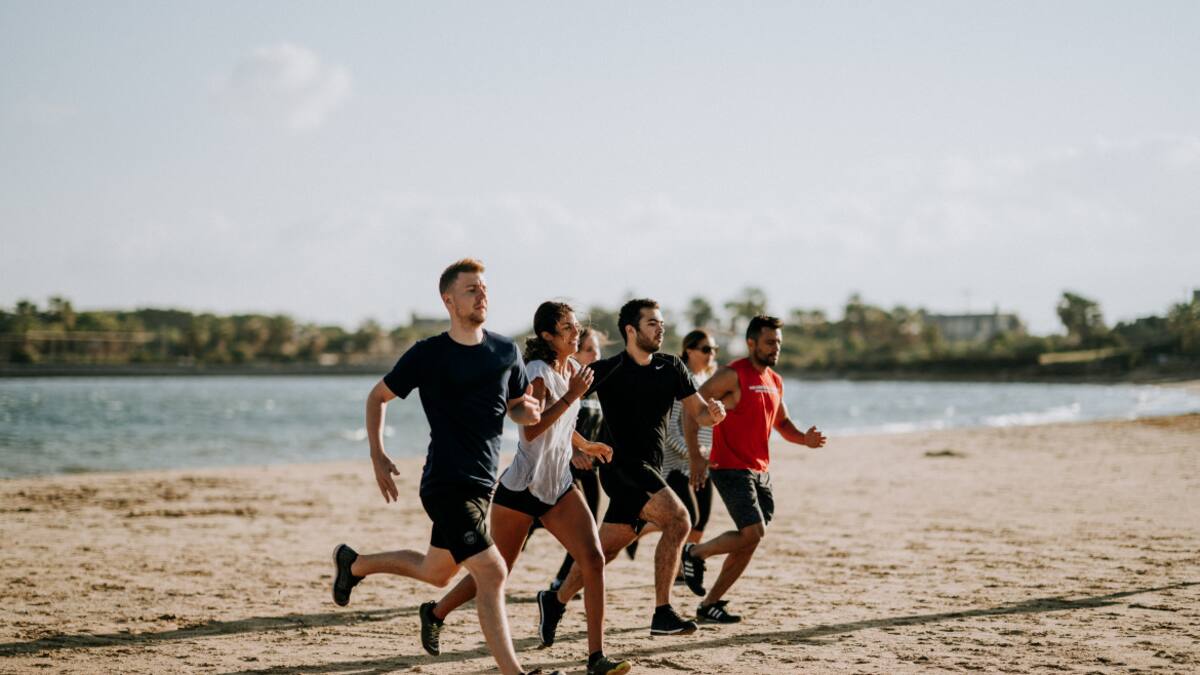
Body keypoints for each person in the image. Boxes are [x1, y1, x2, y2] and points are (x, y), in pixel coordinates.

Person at [330, 258, 559, 675]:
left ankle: (354, 563)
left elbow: (516, 408)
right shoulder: (428, 354)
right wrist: (377, 454)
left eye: (484, 288)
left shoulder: (505, 351)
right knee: (492, 572)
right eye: (471, 289)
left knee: (436, 573)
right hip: (445, 484)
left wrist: (527, 412)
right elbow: (377, 397)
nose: (481, 295)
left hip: (482, 485)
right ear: (449, 300)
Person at [421, 302, 632, 675]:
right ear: (548, 336)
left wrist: (585, 445)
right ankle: (436, 612)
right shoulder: (536, 372)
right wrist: (571, 396)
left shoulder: (572, 370)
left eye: (576, 325)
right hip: (521, 489)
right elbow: (531, 430)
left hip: (558, 486)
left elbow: (563, 424)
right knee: (497, 569)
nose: (576, 332)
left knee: (594, 559)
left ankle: (596, 658)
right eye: (567, 328)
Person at [537, 299, 726, 644]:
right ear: (631, 330)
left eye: (661, 323)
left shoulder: (671, 367)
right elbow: (560, 408)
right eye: (652, 323)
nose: (660, 329)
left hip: (650, 467)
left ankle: (555, 599)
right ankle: (662, 612)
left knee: (604, 552)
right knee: (679, 520)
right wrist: (579, 447)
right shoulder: (607, 369)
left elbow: (699, 413)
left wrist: (713, 415)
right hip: (620, 466)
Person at [679, 315, 827, 625]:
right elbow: (691, 410)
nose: (776, 348)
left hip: (760, 470)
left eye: (778, 343)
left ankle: (710, 604)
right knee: (753, 532)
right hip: (729, 467)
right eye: (769, 342)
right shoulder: (731, 375)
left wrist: (805, 439)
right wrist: (695, 456)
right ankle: (695, 553)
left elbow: (782, 423)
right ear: (751, 343)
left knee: (750, 539)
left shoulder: (775, 380)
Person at [626, 329, 720, 561]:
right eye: (706, 349)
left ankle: (684, 567)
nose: (711, 354)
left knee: (701, 521)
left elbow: (708, 428)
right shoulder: (682, 380)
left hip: (702, 462)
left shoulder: (707, 382)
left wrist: (708, 455)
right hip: (677, 465)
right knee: (688, 518)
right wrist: (692, 454)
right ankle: (638, 530)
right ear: (689, 350)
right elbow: (669, 430)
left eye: (714, 350)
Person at [548, 327, 608, 591]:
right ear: (575, 353)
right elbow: (553, 423)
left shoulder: (597, 387)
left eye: (598, 349)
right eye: (589, 350)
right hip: (563, 468)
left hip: (589, 471)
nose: (596, 355)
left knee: (588, 529)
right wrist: (574, 452)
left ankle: (562, 579)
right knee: (536, 523)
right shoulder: (568, 385)